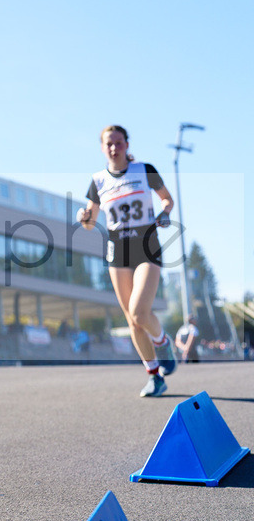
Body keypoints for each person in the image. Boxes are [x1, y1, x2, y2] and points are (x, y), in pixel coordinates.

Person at [77, 125, 177, 397]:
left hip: (147, 247)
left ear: (127, 144)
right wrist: (85, 218)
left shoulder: (144, 170)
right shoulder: (98, 181)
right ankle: (154, 376)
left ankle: (162, 342)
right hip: (118, 252)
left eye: (118, 142)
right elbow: (90, 223)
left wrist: (165, 212)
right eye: (109, 144)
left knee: (139, 312)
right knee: (132, 321)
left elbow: (167, 199)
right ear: (102, 148)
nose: (114, 148)